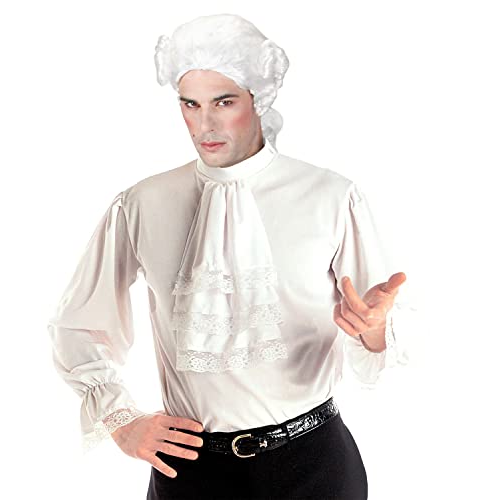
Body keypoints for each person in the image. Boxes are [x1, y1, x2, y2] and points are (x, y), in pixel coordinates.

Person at [47, 13, 414, 499]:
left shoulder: (330, 196)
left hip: (312, 467)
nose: (205, 124)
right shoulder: (142, 203)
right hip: (189, 469)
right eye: (190, 104)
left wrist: (372, 330)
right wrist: (121, 420)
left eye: (224, 102)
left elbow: (378, 350)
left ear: (258, 99)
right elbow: (77, 325)